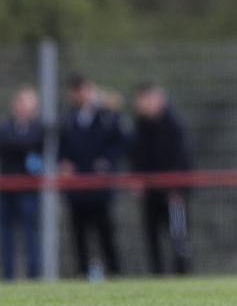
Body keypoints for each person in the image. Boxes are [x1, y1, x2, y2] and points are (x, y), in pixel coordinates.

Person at [59, 73, 126, 278]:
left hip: (100, 185)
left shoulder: (106, 115)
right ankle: (81, 271)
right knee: (78, 233)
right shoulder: (68, 117)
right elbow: (62, 145)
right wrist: (64, 163)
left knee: (105, 230)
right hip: (77, 186)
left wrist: (106, 162)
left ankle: (114, 271)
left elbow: (121, 140)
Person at [131, 82, 192, 275]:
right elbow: (136, 155)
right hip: (151, 191)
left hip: (173, 192)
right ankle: (156, 275)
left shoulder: (175, 124)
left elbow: (184, 158)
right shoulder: (141, 126)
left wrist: (178, 188)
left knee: (178, 235)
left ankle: (182, 274)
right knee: (151, 236)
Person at [0, 86, 44, 279]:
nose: (23, 106)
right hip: (6, 186)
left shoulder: (39, 128)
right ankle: (8, 274)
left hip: (28, 188)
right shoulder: (5, 126)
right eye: (20, 101)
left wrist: (16, 143)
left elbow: (31, 143)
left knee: (31, 232)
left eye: (27, 102)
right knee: (6, 233)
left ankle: (34, 274)